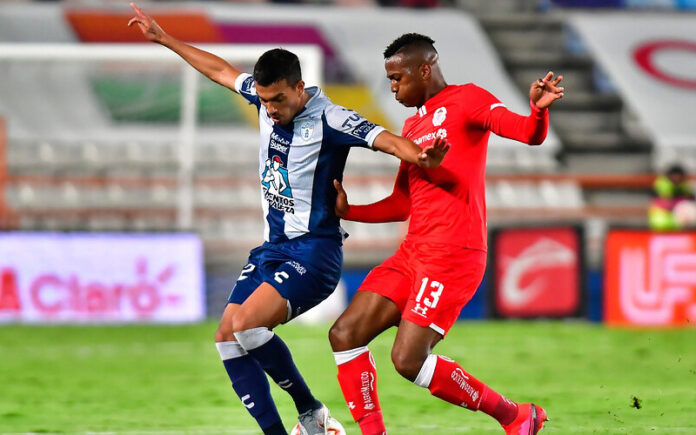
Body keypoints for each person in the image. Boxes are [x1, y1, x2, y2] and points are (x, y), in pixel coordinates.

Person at [127, 8, 448, 435]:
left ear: (300, 87)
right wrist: (166, 39)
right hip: (271, 249)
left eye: (279, 99)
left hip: (314, 255)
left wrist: (421, 157)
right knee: (226, 337)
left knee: (247, 324)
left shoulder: (332, 118)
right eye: (264, 100)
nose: (271, 108)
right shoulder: (263, 99)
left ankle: (312, 413)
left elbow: (386, 140)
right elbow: (220, 71)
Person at [328, 33, 564, 435]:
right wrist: (351, 212)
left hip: (453, 252)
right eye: (389, 80)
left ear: (425, 69)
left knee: (407, 360)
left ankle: (516, 416)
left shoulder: (469, 99)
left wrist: (538, 112)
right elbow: (402, 202)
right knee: (344, 332)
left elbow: (527, 133)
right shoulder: (412, 125)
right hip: (413, 252)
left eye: (398, 77)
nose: (393, 87)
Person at [649, 164, 696, 231]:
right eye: (674, 175)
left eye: (678, 176)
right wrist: (682, 200)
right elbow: (667, 203)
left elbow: (691, 199)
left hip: (676, 225)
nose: (676, 178)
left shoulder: (684, 185)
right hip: (660, 222)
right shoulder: (663, 184)